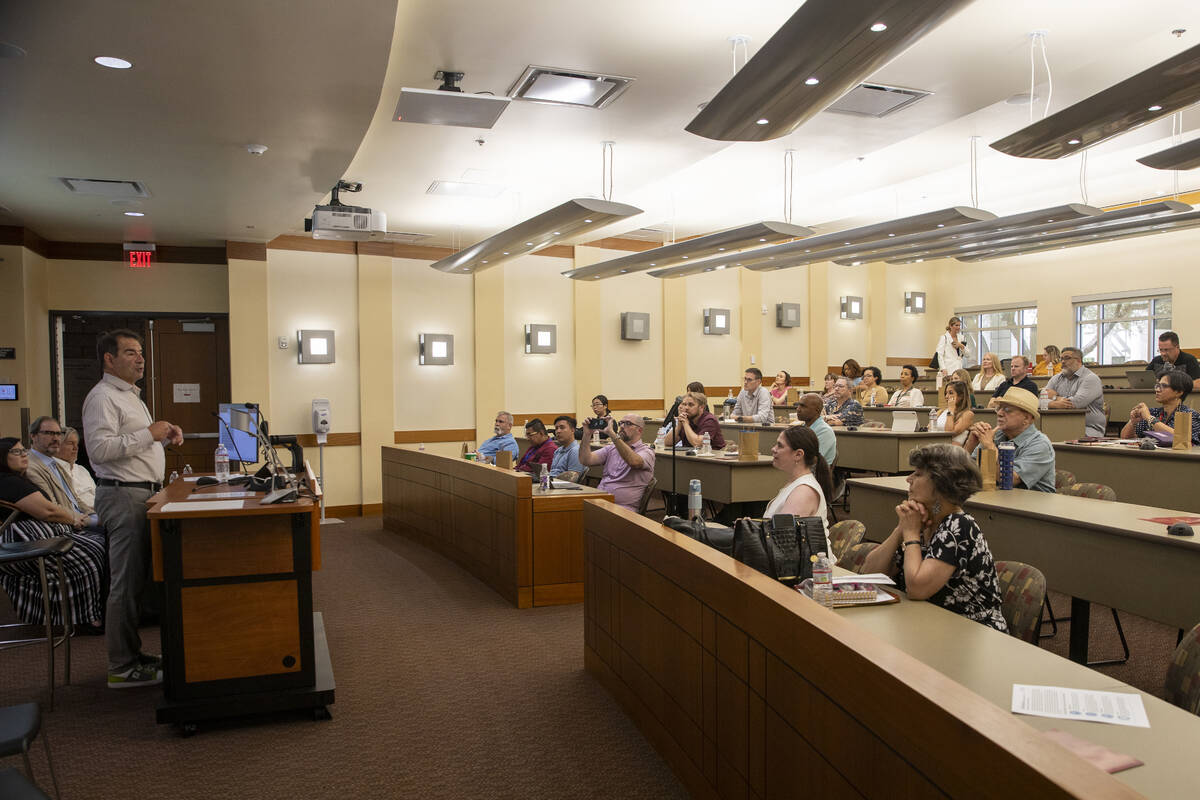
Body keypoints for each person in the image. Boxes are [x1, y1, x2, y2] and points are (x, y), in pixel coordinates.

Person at [82, 328, 184, 688]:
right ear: (109, 359)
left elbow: (134, 442)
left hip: (141, 494)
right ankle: (121, 666)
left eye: (140, 352)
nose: (140, 358)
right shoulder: (103, 397)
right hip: (122, 496)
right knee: (124, 584)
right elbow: (100, 451)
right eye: (129, 352)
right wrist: (149, 435)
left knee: (138, 582)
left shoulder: (130, 397)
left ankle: (134, 655)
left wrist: (164, 435)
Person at [860, 444, 1007, 631]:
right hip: (928, 623)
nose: (908, 479)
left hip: (970, 631)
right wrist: (900, 529)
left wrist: (911, 533)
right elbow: (869, 574)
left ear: (941, 484)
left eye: (918, 474)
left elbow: (917, 589)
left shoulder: (959, 526)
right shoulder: (920, 521)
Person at [0, 437, 107, 632]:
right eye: (16, 452)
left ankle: (97, 611)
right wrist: (75, 519)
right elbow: (47, 512)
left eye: (24, 450)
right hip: (26, 541)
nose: (24, 454)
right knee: (93, 551)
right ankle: (85, 617)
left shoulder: (17, 479)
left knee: (102, 542)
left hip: (40, 535)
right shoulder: (8, 483)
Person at [963, 387, 1055, 492]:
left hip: (1034, 505)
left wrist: (990, 446)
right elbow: (965, 471)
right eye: (999, 408)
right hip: (998, 499)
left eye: (1007, 410)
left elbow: (1009, 480)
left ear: (1027, 418)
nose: (999, 413)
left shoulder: (1040, 444)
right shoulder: (997, 435)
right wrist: (970, 444)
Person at [763, 426, 834, 554]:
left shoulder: (804, 492)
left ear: (798, 454)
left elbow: (782, 540)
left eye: (780, 445)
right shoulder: (796, 483)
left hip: (812, 570)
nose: (773, 449)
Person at [24, 415, 97, 527]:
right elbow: (52, 507)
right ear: (33, 436)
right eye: (49, 433)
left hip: (82, 519)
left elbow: (75, 499)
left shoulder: (56, 464)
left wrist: (94, 515)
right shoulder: (30, 467)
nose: (55, 438)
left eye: (58, 434)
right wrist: (90, 521)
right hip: (66, 525)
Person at [577, 413, 655, 512]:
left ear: (639, 430)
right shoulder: (612, 448)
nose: (622, 426)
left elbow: (634, 461)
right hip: (601, 501)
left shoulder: (647, 452)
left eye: (628, 423)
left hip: (623, 509)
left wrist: (612, 434)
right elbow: (585, 460)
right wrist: (587, 434)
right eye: (621, 423)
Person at [1121, 370, 1200, 445]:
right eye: (1158, 385)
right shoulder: (1153, 412)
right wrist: (1133, 422)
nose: (1157, 390)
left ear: (1179, 392)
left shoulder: (1190, 415)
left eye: (1164, 386)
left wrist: (1149, 418)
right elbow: (1125, 437)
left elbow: (1182, 439)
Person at [1045, 347, 1106, 438]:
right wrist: (1055, 403)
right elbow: (1041, 400)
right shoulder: (1056, 378)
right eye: (1061, 359)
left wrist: (1055, 398)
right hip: (1058, 425)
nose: (1063, 362)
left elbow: (1076, 403)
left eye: (1067, 358)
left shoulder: (1091, 378)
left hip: (1088, 429)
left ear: (1079, 360)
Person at [57, 427, 97, 510]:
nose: (75, 448)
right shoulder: (54, 470)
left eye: (76, 444)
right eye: (70, 443)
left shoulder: (81, 470)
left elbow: (96, 495)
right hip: (81, 515)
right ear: (57, 446)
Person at [796, 393, 836, 467]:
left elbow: (811, 460)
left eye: (803, 406)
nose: (798, 409)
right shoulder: (803, 427)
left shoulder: (825, 431)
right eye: (798, 405)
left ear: (817, 410)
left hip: (815, 474)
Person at [933, 380, 974, 446]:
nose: (946, 396)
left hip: (953, 451)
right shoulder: (941, 411)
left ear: (961, 396)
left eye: (950, 393)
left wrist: (951, 410)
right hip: (936, 447)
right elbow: (929, 428)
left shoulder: (967, 414)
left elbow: (949, 433)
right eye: (946, 393)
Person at [935, 316, 967, 388]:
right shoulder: (944, 337)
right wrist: (943, 368)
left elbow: (968, 354)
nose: (958, 327)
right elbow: (939, 354)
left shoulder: (962, 337)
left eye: (959, 325)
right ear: (950, 326)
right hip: (948, 367)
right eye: (956, 325)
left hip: (959, 367)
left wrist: (961, 346)